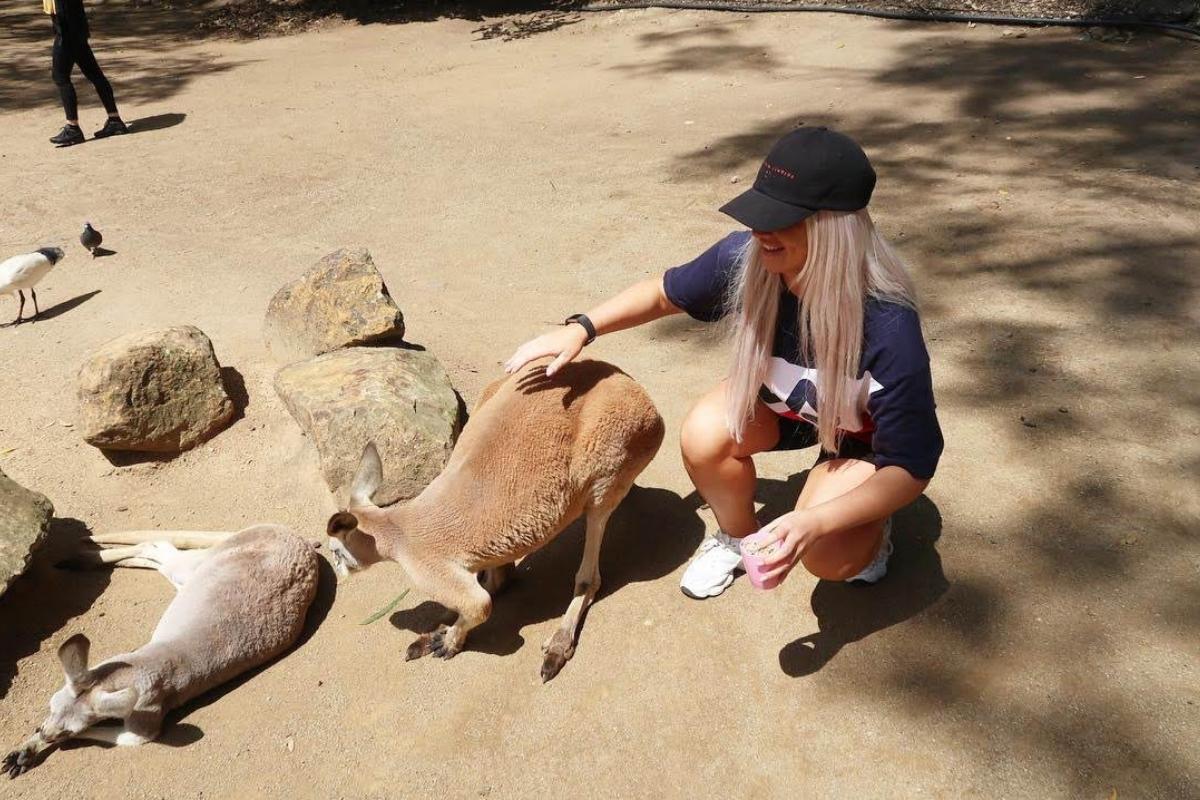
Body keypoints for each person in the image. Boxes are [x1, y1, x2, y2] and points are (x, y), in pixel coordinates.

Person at [504, 127, 943, 599]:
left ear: (835, 228)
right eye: (760, 212)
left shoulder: (888, 326)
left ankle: (873, 537)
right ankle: (737, 535)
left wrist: (815, 520)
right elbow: (663, 293)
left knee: (829, 556)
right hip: (789, 409)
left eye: (780, 219)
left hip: (862, 441)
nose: (759, 230)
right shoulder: (750, 259)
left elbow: (910, 466)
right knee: (704, 433)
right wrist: (582, 328)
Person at [45, 0, 128, 146]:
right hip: (76, 30)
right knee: (95, 74)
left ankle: (73, 128)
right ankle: (114, 120)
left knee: (61, 77)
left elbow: (64, 10)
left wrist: (63, 37)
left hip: (67, 33)